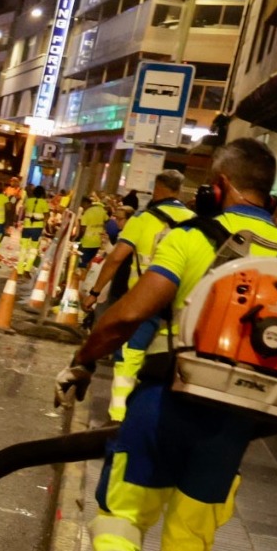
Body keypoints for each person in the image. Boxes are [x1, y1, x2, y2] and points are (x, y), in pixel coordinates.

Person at [59, 139, 277, 551]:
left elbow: (129, 314)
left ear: (220, 187)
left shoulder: (192, 237)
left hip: (167, 407)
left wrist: (84, 362)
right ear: (272, 195)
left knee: (118, 517)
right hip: (232, 431)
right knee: (187, 550)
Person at [83, 170, 193, 422]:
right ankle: (151, 417)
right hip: (176, 308)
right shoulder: (194, 222)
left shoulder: (143, 219)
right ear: (179, 190)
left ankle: (118, 415)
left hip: (142, 303)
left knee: (129, 359)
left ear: (157, 189)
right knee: (164, 364)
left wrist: (95, 292)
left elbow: (116, 258)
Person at [74, 195, 110, 285]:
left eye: (82, 205)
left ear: (85, 203)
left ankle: (78, 284)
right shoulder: (101, 210)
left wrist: (77, 238)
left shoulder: (87, 213)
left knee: (81, 264)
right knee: (89, 264)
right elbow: (107, 220)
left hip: (86, 242)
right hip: (97, 242)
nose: (82, 207)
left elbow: (83, 229)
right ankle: (85, 282)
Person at [16, 189, 53, 275]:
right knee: (33, 249)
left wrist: (19, 221)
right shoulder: (44, 203)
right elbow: (47, 215)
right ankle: (27, 270)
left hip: (27, 226)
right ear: (43, 194)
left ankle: (19, 269)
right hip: (37, 228)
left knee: (23, 248)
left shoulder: (28, 201)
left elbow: (23, 211)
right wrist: (44, 223)